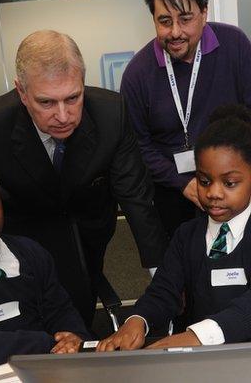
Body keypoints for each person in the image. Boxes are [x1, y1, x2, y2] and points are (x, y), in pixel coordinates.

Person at [0, 30, 167, 326]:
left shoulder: (111, 112)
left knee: (80, 319)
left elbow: (136, 198)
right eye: (46, 103)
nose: (63, 115)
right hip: (24, 239)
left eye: (73, 97)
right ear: (21, 92)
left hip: (89, 234)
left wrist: (162, 278)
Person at [97, 105, 251, 351]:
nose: (213, 193)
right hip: (198, 364)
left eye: (229, 183)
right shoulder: (187, 236)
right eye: (204, 181)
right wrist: (138, 320)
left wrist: (198, 336)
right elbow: (163, 291)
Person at [121, 0, 251, 238]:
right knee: (188, 267)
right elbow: (138, 145)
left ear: (204, 12)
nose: (175, 32)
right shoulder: (137, 74)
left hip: (233, 184)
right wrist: (183, 183)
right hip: (172, 192)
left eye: (186, 19)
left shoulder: (234, 45)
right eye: (165, 21)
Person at [0, 154, 91, 373]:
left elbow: (61, 313)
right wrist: (44, 344)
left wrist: (73, 338)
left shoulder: (30, 253)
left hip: (46, 370)